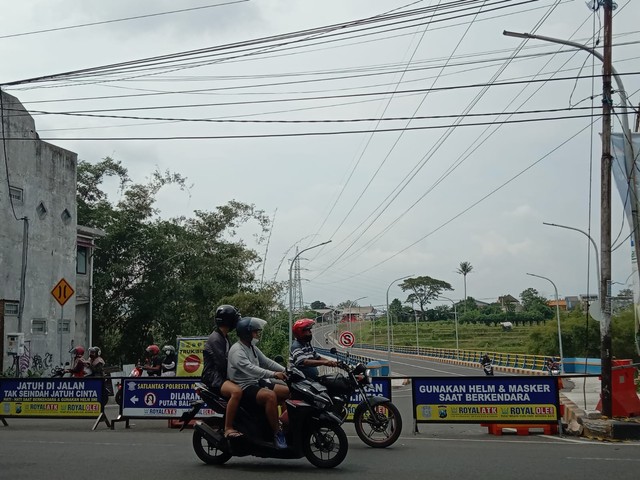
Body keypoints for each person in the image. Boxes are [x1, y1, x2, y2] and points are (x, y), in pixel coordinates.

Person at [228, 316, 289, 449]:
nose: (257, 334)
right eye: (255, 332)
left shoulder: (251, 347)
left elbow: (266, 361)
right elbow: (251, 369)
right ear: (246, 333)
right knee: (270, 396)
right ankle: (277, 433)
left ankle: (285, 425)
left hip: (256, 382)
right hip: (244, 386)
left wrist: (286, 371)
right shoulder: (237, 350)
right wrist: (273, 374)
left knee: (287, 391)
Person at [202, 305, 244, 438]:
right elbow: (222, 363)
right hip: (214, 377)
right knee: (236, 392)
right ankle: (228, 428)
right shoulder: (215, 339)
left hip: (221, 375)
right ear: (228, 321)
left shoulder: (224, 337)